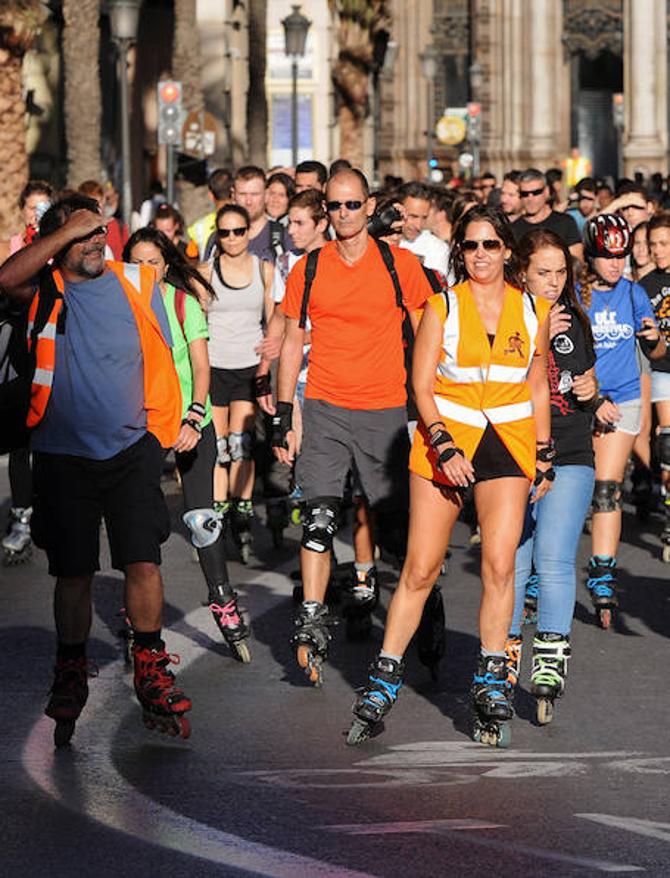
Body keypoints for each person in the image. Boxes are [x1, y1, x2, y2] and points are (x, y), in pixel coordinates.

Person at [346, 205, 553, 749]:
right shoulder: (442, 305)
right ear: (458, 251)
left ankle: (490, 676)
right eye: (470, 246)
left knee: (500, 563)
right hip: (448, 439)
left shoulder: (534, 308)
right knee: (420, 567)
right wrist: (443, 444)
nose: (480, 255)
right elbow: (421, 385)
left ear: (508, 250)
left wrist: (546, 451)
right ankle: (385, 673)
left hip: (508, 442)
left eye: (490, 245)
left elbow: (536, 385)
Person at [0, 194, 191, 744]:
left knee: (144, 563)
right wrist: (62, 235)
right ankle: (70, 669)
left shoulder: (138, 280)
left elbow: (169, 354)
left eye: (98, 233)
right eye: (81, 236)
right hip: (63, 454)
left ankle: (151, 663)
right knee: (74, 572)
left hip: (132, 449)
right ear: (57, 243)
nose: (94, 243)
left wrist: (162, 436)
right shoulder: (46, 289)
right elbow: (6, 279)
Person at [271, 168, 432, 686]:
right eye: (334, 207)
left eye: (351, 205)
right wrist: (282, 411)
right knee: (318, 517)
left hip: (385, 411)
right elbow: (293, 341)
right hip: (324, 407)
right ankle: (313, 618)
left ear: (370, 206)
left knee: (396, 529)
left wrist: (433, 408)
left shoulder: (399, 265)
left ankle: (426, 613)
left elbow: (426, 332)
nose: (343, 215)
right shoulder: (309, 268)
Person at [124, 228, 251, 661]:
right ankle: (137, 617)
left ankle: (223, 599)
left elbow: (200, 365)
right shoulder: (120, 307)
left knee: (200, 518)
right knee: (141, 523)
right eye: (136, 263)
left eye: (153, 262)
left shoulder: (183, 303)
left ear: (166, 264)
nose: (145, 271)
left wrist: (196, 414)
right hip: (141, 424)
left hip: (189, 417)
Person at [508, 229, 607, 725]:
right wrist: (537, 334)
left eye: (560, 272)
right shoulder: (504, 315)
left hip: (569, 450)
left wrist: (593, 390)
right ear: (522, 270)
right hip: (513, 451)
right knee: (511, 560)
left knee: (552, 558)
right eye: (542, 272)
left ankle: (548, 658)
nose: (552, 281)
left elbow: (584, 384)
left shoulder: (574, 320)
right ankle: (500, 657)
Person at [580, 215, 665, 623]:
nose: (616, 264)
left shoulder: (633, 294)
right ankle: (540, 574)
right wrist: (592, 397)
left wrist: (655, 340)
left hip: (626, 397)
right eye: (607, 256)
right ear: (591, 255)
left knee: (606, 489)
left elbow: (659, 354)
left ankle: (602, 571)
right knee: (568, 489)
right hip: (580, 401)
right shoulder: (576, 295)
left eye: (622, 256)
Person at [202, 204, 274, 563]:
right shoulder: (205, 272)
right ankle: (219, 514)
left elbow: (275, 322)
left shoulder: (265, 270)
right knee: (218, 448)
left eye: (239, 231)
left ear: (249, 232)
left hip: (247, 367)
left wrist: (266, 363)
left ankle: (242, 514)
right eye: (225, 232)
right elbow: (195, 322)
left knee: (240, 444)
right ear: (218, 234)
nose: (232, 239)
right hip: (214, 367)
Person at [640, 213, 670, 561]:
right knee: (667, 441)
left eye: (663, 244)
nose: (657, 251)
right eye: (652, 245)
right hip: (661, 368)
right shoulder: (645, 286)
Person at [511, 169, 583, 261]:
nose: (530, 198)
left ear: (546, 191)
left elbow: (577, 264)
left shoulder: (566, 223)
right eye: (524, 194)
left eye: (536, 192)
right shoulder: (514, 229)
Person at [232, 165, 291, 262]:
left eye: (255, 194)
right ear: (233, 195)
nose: (248, 202)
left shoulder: (284, 238)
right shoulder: (220, 238)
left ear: (266, 195)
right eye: (242, 194)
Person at [397, 181, 450, 275]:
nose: (418, 226)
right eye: (413, 216)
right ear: (397, 209)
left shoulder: (438, 249)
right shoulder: (378, 242)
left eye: (424, 218)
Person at [187, 168, 233, 260]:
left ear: (210, 195)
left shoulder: (198, 228)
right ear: (233, 191)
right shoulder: (247, 222)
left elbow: (191, 257)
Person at [77, 180, 128, 260]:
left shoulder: (117, 224)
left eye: (100, 201)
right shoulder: (78, 230)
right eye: (93, 203)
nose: (98, 206)